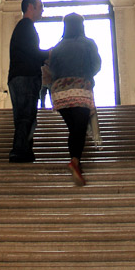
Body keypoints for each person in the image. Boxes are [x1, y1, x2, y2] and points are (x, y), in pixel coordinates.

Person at [49, 12, 101, 186]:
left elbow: (52, 70)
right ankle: (75, 161)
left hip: (59, 92)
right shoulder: (88, 43)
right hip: (80, 88)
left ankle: (75, 161)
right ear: (81, 26)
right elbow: (96, 65)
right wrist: (85, 75)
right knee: (78, 130)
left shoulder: (57, 46)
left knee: (74, 128)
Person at [7, 0, 48, 162]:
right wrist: (48, 54)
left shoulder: (23, 27)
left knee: (24, 116)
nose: (42, 10)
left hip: (19, 77)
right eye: (41, 6)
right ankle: (19, 152)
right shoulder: (26, 26)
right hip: (25, 78)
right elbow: (31, 52)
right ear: (31, 7)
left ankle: (25, 152)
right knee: (26, 116)